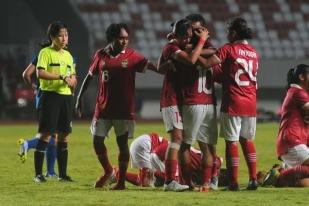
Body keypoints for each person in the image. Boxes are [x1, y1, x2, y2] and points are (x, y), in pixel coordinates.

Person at [75, 23, 170, 190]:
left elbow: (153, 67)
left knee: (122, 145)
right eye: (121, 38)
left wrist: (165, 68)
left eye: (127, 38)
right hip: (103, 108)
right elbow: (89, 77)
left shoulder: (132, 56)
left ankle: (120, 183)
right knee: (97, 142)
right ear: (112, 38)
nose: (125, 41)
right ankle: (109, 171)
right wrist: (79, 98)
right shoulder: (100, 55)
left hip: (123, 110)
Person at [177, 14, 221, 192]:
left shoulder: (188, 47)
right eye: (191, 29)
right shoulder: (208, 46)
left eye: (197, 29)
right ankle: (207, 182)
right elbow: (215, 57)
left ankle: (190, 183)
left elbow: (200, 58)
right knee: (206, 147)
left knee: (187, 145)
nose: (194, 33)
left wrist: (193, 50)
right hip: (207, 102)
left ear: (203, 29)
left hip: (194, 101)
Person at [215, 17, 259, 191]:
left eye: (228, 32)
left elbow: (213, 63)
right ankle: (253, 179)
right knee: (246, 140)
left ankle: (233, 183)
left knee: (231, 142)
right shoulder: (254, 53)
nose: (226, 35)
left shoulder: (229, 49)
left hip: (233, 101)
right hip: (251, 101)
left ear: (233, 33)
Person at [34, 21, 77, 183]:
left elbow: (72, 74)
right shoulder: (45, 53)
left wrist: (72, 81)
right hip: (50, 96)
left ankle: (63, 174)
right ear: (52, 37)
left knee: (64, 135)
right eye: (61, 35)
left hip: (66, 97)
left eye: (66, 35)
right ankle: (38, 174)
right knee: (46, 134)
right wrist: (60, 77)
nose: (64, 38)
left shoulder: (68, 55)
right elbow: (40, 73)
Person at [261, 64, 309, 187]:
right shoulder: (298, 92)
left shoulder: (296, 92)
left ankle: (282, 175)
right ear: (302, 77)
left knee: (302, 183)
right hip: (293, 142)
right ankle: (280, 176)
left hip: (293, 143)